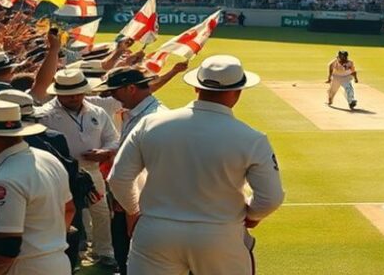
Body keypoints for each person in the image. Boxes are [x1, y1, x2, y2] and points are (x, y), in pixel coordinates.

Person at [108, 55, 284, 275]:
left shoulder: (150, 123)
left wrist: (134, 211)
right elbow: (271, 198)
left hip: (156, 231)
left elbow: (118, 178)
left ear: (196, 89)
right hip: (219, 234)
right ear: (238, 92)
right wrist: (253, 215)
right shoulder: (252, 138)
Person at [0, 99, 74, 274]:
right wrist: (44, 244)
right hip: (56, 263)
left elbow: (2, 253)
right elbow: (69, 209)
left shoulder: (2, 179)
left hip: (22, 268)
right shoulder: (47, 158)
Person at [37, 69, 119, 270]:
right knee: (66, 213)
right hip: (59, 174)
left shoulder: (97, 111)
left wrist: (106, 151)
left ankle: (105, 252)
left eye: (78, 92)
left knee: (100, 212)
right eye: (68, 94)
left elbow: (113, 138)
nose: (74, 97)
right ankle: (70, 254)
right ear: (57, 93)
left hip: (91, 170)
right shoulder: (44, 114)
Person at [93, 66, 169, 275]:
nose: (113, 97)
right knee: (123, 255)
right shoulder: (136, 114)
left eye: (115, 91)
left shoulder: (154, 118)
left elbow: (146, 169)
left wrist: (132, 210)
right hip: (130, 202)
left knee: (134, 260)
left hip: (139, 205)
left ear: (131, 88)